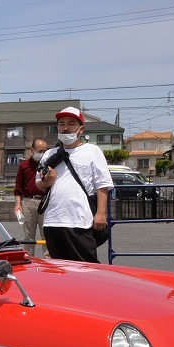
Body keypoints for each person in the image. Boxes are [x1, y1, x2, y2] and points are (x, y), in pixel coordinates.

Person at [35, 107, 112, 263]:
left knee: (86, 269)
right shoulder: (50, 155)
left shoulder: (92, 151)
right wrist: (47, 182)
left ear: (81, 129)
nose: (65, 128)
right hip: (52, 221)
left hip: (80, 222)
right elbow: (39, 185)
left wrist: (101, 213)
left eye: (71, 124)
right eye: (61, 124)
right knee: (58, 271)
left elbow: (102, 184)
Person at [12, 137, 48, 257]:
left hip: (45, 202)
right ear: (32, 150)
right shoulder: (24, 166)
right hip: (28, 201)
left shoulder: (48, 165)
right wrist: (18, 204)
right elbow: (18, 188)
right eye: (40, 151)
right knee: (28, 235)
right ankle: (29, 259)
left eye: (45, 151)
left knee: (47, 234)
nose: (42, 154)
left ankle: (49, 261)